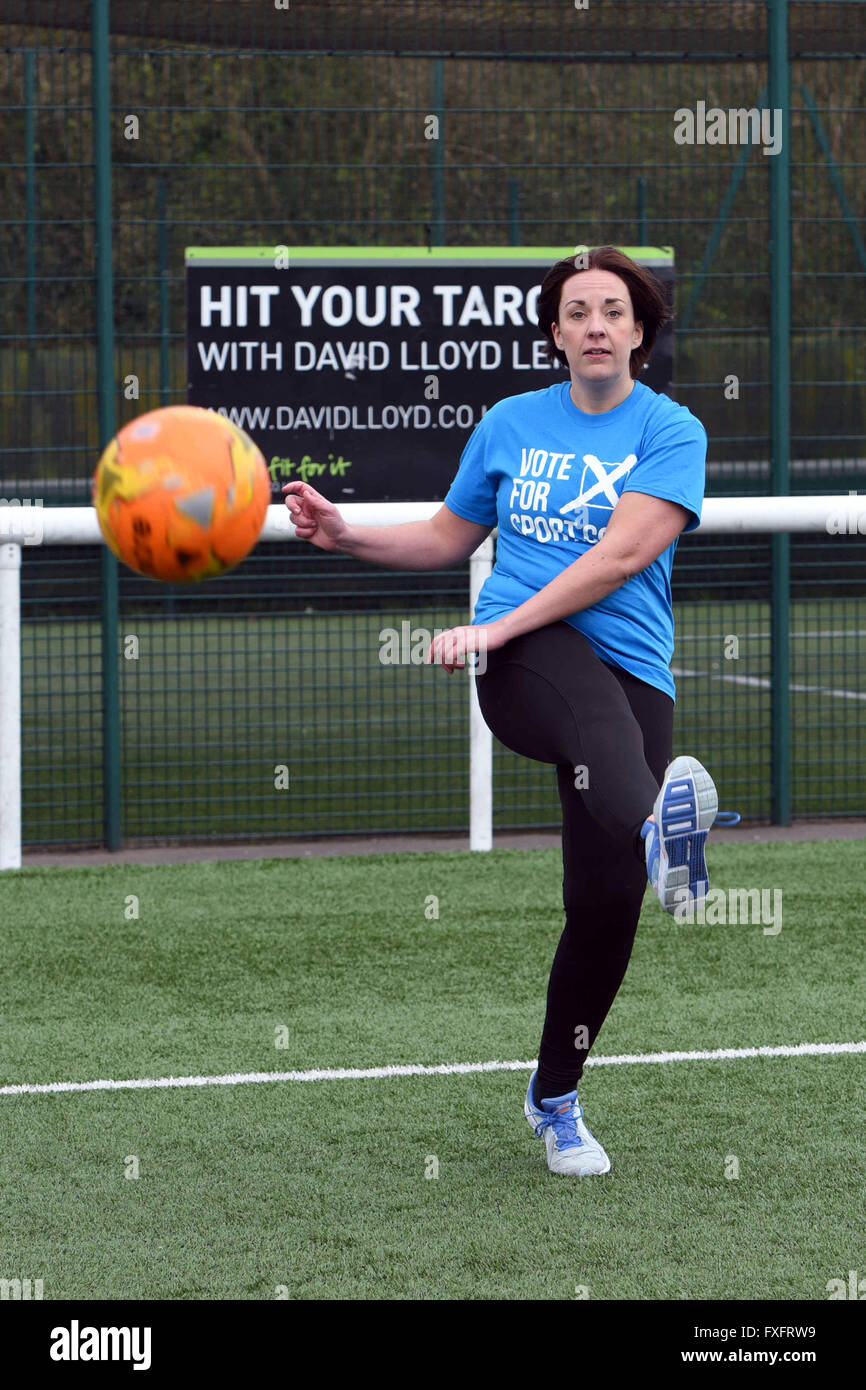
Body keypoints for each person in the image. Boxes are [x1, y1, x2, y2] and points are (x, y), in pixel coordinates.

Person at [283, 244, 720, 1178]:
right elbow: (449, 533)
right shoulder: (511, 423)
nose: (595, 326)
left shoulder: (673, 431)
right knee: (585, 708)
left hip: (628, 669)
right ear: (555, 332)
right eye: (577, 312)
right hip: (523, 660)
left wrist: (492, 624)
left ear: (640, 331)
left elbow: (616, 560)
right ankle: (666, 836)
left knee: (604, 908)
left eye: (613, 310)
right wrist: (344, 531)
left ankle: (555, 1100)